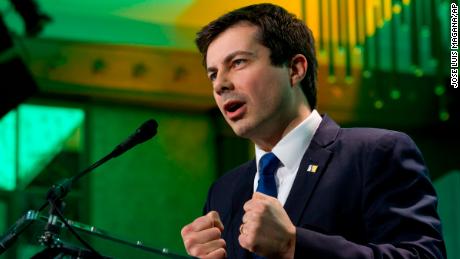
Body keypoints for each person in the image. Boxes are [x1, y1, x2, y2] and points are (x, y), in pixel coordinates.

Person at [180, 3, 446, 259]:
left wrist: (293, 244)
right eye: (213, 74)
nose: (220, 85)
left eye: (237, 63)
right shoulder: (224, 190)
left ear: (295, 69)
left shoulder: (377, 152)